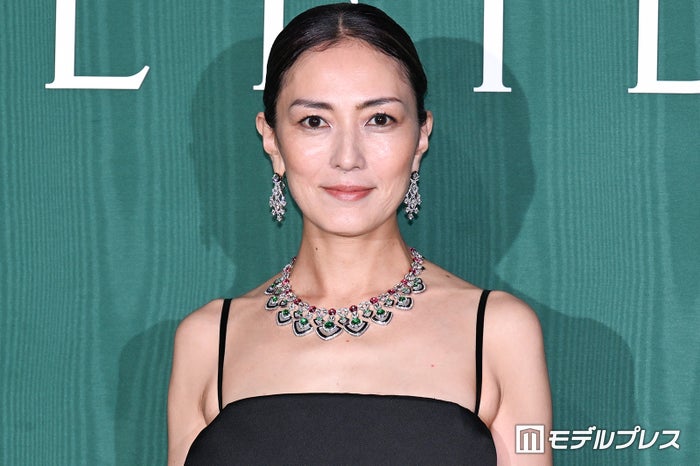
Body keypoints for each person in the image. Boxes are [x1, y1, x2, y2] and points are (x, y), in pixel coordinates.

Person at [168, 3, 551, 465]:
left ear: (421, 137)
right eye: (314, 121)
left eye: (379, 119)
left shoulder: (499, 333)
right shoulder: (208, 340)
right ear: (272, 139)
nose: (347, 157)